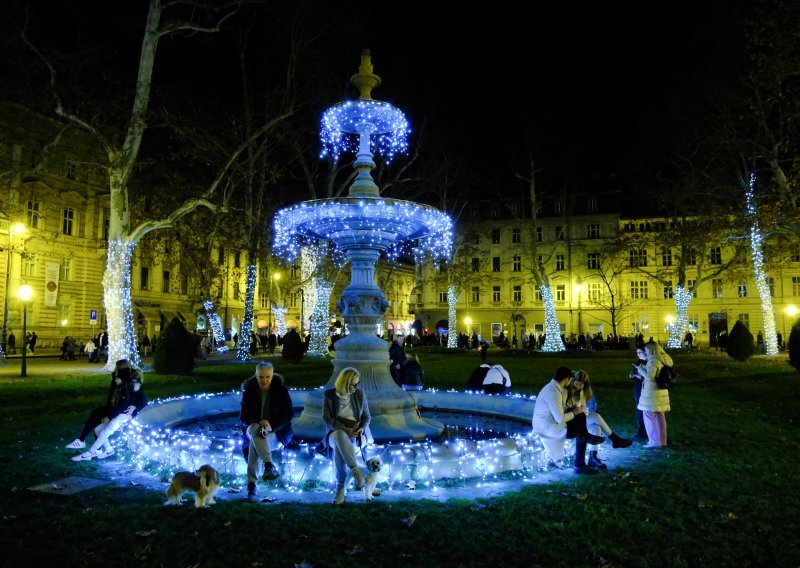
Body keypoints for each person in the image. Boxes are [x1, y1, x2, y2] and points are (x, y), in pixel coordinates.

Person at [68, 359, 147, 460]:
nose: (115, 376)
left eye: (117, 373)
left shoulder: (132, 385)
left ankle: (89, 453)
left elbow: (132, 402)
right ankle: (108, 449)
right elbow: (115, 400)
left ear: (121, 373)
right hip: (118, 410)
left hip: (125, 414)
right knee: (98, 429)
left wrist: (111, 416)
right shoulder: (121, 384)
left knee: (105, 432)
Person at [531, 366, 605, 474]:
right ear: (566, 379)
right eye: (570, 379)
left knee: (580, 419)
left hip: (548, 424)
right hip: (549, 428)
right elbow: (560, 418)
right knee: (580, 422)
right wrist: (575, 412)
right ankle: (580, 464)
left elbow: (558, 410)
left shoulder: (552, 388)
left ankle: (581, 457)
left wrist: (571, 409)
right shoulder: (554, 392)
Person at [238, 361, 295, 498]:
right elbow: (243, 417)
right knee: (255, 428)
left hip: (275, 432)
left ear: (272, 375)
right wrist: (259, 421)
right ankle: (268, 465)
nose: (264, 380)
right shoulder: (249, 392)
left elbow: (288, 415)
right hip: (253, 428)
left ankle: (252, 485)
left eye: (267, 377)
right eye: (261, 377)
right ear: (256, 376)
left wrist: (271, 425)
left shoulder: (281, 391)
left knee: (254, 444)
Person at [320, 367, 370, 505]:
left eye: (357, 384)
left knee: (339, 449)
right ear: (344, 383)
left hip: (357, 435)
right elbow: (327, 419)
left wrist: (361, 428)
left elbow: (366, 416)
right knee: (340, 436)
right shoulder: (330, 395)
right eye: (353, 384)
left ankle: (340, 488)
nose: (356, 387)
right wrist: (343, 428)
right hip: (335, 434)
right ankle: (356, 472)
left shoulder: (359, 394)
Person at [568, 370, 632, 469]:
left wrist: (585, 410)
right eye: (577, 384)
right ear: (573, 381)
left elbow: (586, 408)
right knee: (596, 417)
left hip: (581, 419)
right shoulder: (567, 391)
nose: (579, 387)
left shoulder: (583, 392)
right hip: (571, 420)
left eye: (581, 385)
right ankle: (615, 439)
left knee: (596, 426)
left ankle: (593, 457)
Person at [634, 341, 672, 449]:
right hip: (661, 392)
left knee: (649, 416)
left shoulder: (653, 360)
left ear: (651, 349)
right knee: (660, 417)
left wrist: (640, 369)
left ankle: (654, 442)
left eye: (646, 350)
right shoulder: (663, 359)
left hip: (652, 393)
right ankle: (662, 441)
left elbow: (650, 377)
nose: (645, 352)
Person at [630, 347, 648, 439]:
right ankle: (641, 429)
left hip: (646, 388)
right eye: (637, 352)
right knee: (639, 408)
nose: (638, 354)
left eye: (640, 352)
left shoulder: (650, 363)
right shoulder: (638, 362)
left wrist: (638, 375)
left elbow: (648, 377)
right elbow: (635, 374)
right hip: (638, 388)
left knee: (646, 410)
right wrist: (633, 375)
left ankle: (647, 430)